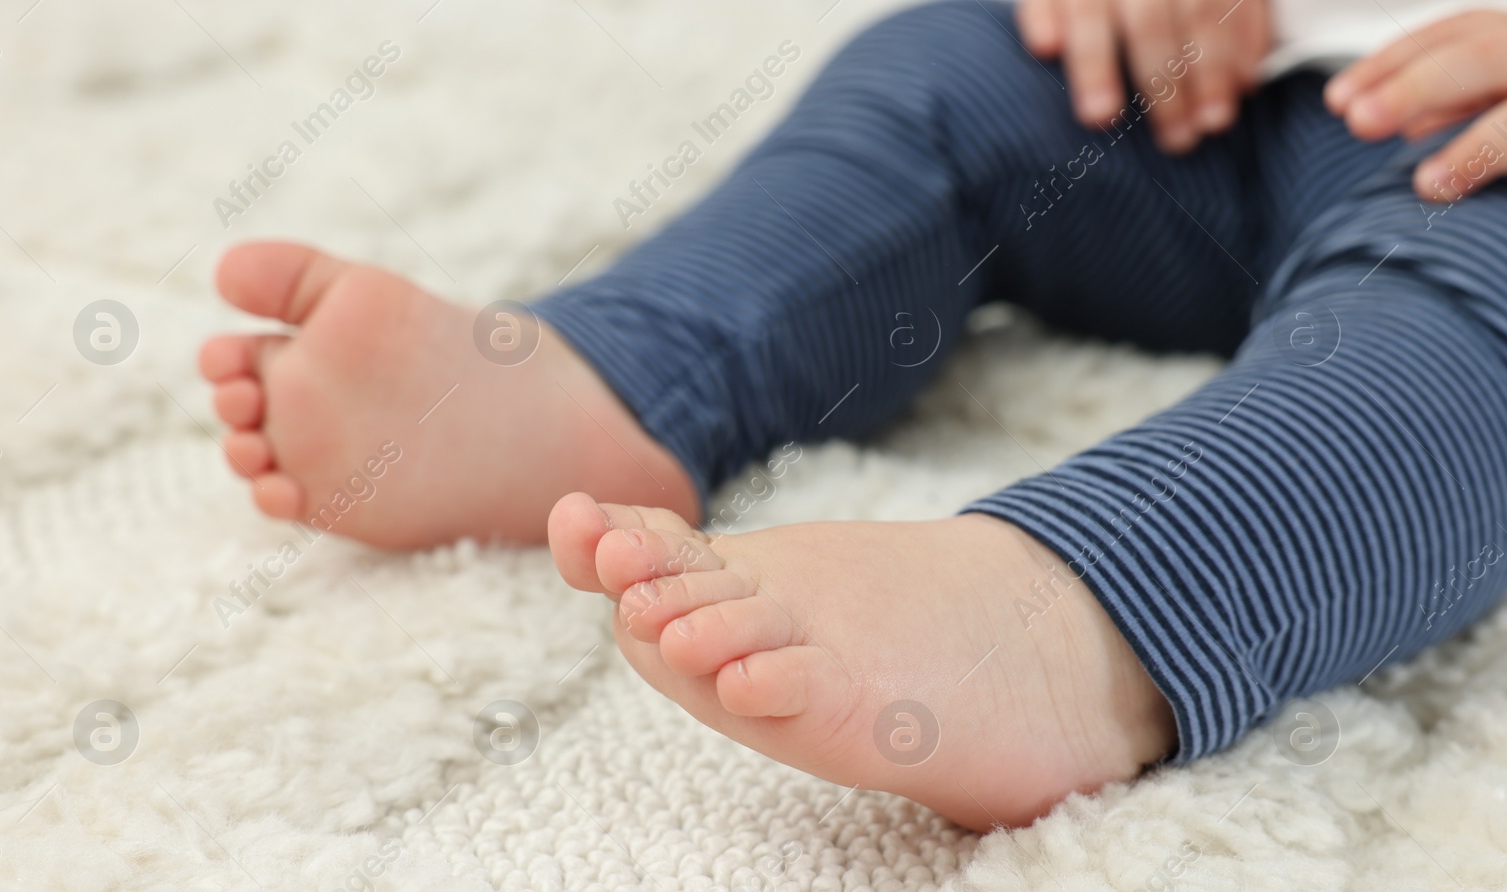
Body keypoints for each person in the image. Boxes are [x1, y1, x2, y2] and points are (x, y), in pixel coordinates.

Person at [197, 1, 1507, 830]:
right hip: (1219, 72)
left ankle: (1083, 609)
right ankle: (618, 377)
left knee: (1450, 352)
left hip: (1485, 173)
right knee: (939, 72)